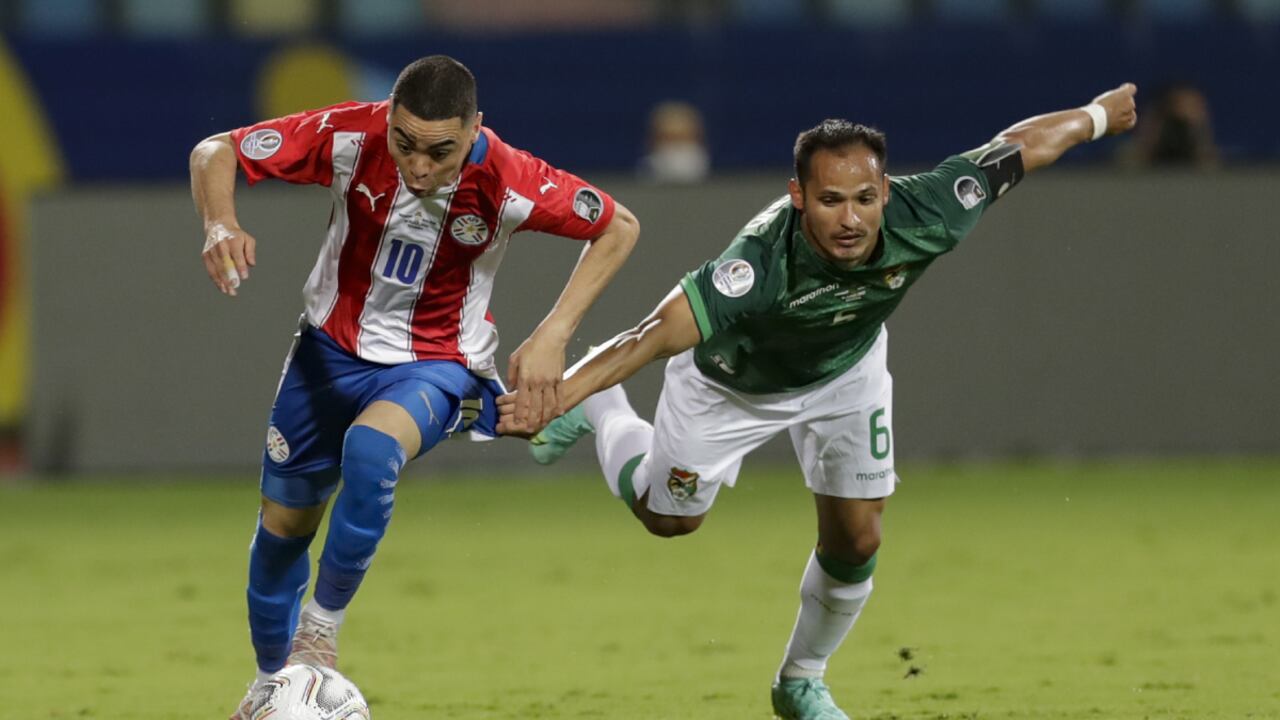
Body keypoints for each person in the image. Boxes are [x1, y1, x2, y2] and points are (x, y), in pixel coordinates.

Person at [499, 84, 1138, 719]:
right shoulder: (757, 264)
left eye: (865, 198)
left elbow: (1017, 149)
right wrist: (558, 397)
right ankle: (605, 412)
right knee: (669, 521)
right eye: (830, 200)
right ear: (798, 197)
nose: (851, 218)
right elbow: (650, 336)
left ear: (886, 191)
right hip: (730, 387)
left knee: (858, 540)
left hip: (845, 374)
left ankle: (801, 680)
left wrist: (1096, 116)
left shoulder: (931, 209)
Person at [189, 55, 640, 719]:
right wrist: (219, 222)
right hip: (324, 357)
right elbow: (217, 149)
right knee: (283, 531)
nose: (420, 166)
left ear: (475, 128)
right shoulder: (351, 137)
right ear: (389, 121)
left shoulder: (508, 177)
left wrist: (552, 334)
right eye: (405, 143)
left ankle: (321, 630)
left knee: (372, 454)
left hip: (434, 361)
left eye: (441, 151)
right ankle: (270, 688)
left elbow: (618, 226)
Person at [636, 100, 711, 184]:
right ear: (652, 141)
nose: (677, 147)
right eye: (669, 139)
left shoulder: (700, 163)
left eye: (683, 138)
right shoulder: (646, 170)